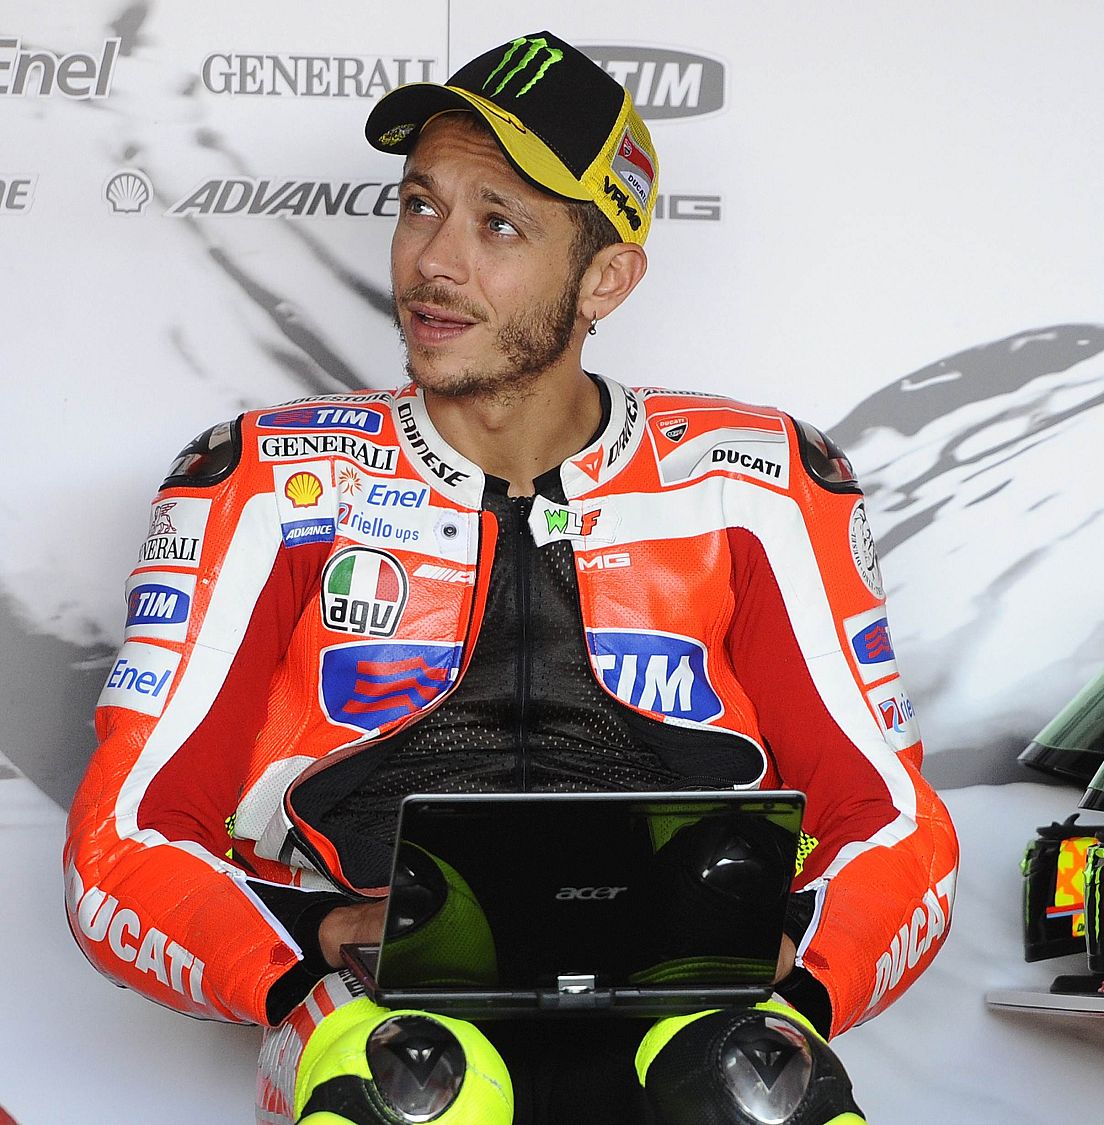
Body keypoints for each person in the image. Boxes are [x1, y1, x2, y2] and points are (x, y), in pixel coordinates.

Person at [64, 30, 957, 1125]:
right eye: (419, 204)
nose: (434, 261)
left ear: (608, 277)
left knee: (757, 1096)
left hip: (681, 1011)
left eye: (498, 224)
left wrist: (802, 980)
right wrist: (301, 950)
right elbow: (124, 842)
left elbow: (894, 821)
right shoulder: (264, 483)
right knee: (406, 1095)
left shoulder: (756, 483)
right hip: (375, 1015)